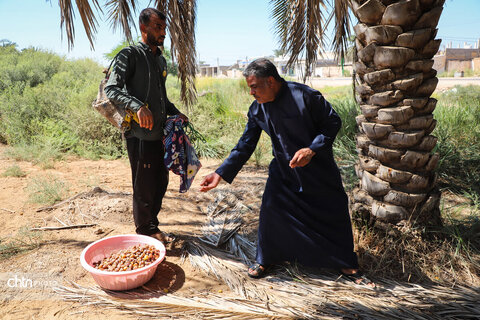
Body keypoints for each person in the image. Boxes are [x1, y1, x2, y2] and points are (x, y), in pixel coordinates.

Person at [200, 58, 374, 287]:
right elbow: (245, 144)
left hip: (318, 168)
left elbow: (332, 122)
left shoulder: (305, 96)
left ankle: (345, 262)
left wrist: (312, 149)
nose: (251, 92)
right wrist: (220, 173)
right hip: (283, 170)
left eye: (254, 86)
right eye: (249, 87)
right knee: (271, 210)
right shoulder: (257, 109)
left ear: (271, 81)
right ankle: (266, 259)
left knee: (332, 212)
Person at [105, 8, 187, 244]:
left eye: (164, 27)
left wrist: (175, 112)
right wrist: (138, 106)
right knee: (144, 185)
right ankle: (146, 230)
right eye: (158, 27)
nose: (164, 32)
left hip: (160, 134)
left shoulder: (160, 59)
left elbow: (161, 97)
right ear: (144, 28)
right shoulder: (129, 55)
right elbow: (112, 89)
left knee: (161, 182)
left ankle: (152, 225)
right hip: (140, 135)